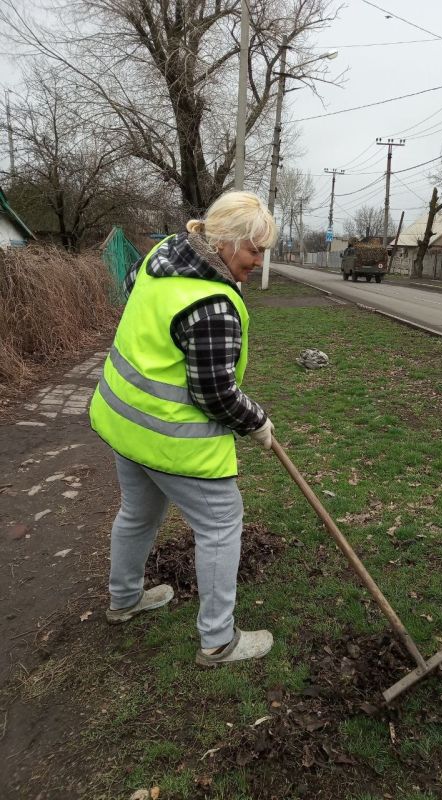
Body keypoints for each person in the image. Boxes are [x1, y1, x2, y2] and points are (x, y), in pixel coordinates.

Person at [89, 190, 277, 666]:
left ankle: (125, 599)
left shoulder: (162, 255)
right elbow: (214, 395)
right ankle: (218, 640)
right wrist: (257, 422)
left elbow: (135, 298)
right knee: (220, 525)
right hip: (174, 440)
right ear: (229, 242)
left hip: (125, 423)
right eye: (254, 250)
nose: (259, 260)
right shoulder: (213, 306)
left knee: (138, 513)